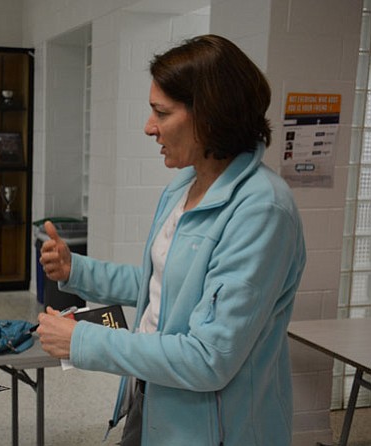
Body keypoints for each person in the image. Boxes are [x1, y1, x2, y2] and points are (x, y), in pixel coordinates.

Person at [37, 34, 306, 446]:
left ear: (211, 115)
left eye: (161, 113)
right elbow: (163, 287)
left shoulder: (261, 211)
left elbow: (209, 358)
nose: (149, 128)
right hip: (152, 395)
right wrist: (78, 270)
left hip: (213, 426)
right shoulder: (184, 185)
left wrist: (83, 341)